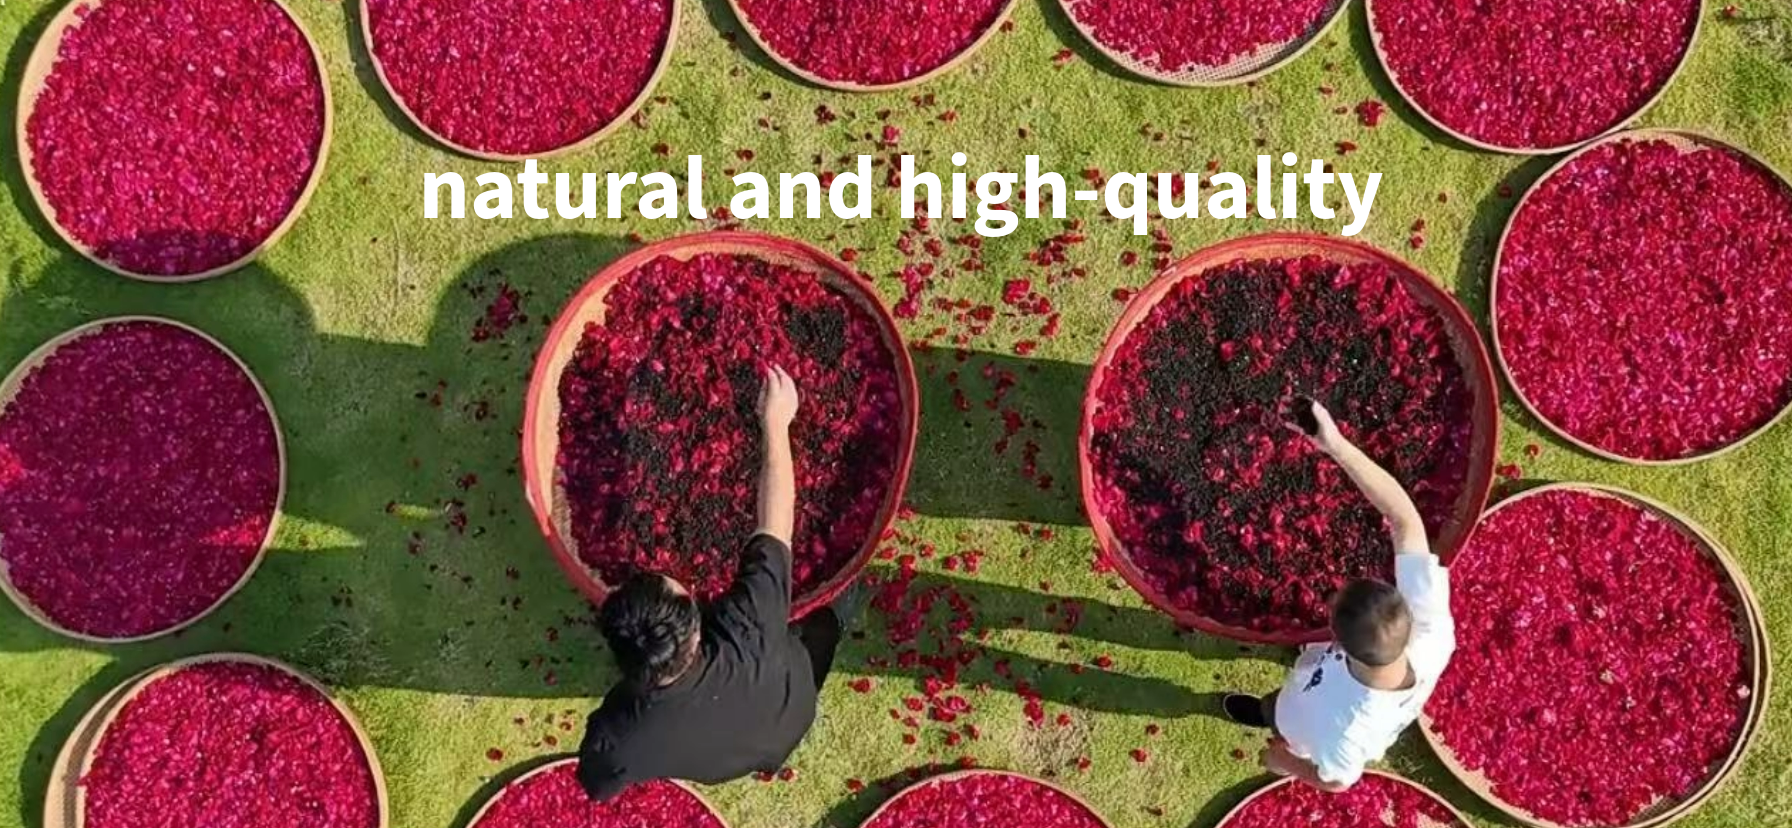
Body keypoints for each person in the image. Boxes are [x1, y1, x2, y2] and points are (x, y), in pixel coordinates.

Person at [576, 365, 859, 800]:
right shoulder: (747, 629)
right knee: (824, 624)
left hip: (732, 755)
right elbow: (775, 522)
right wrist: (776, 424)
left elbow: (597, 787)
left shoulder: (619, 735)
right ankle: (840, 617)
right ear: (695, 632)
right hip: (788, 715)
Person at [1221, 398, 1456, 793]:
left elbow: (1336, 782)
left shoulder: (1344, 731)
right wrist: (1336, 445)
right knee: (1277, 702)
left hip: (1302, 728)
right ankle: (1265, 709)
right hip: (1314, 689)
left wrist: (1287, 762)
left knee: (1284, 719)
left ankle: (1272, 719)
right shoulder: (1431, 629)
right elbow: (1405, 520)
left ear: (1338, 645)